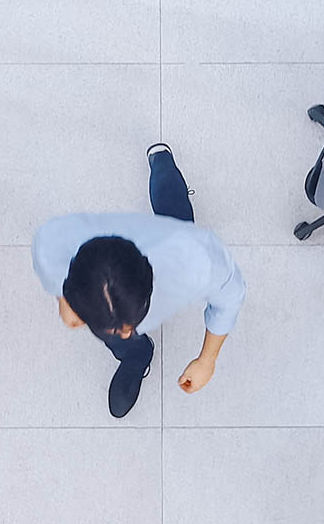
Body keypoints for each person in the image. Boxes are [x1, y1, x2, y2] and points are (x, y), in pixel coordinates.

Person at [32, 145, 245, 418]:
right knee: (119, 340)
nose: (124, 332)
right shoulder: (51, 245)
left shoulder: (196, 260)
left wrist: (207, 360)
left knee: (177, 216)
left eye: (129, 324)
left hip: (175, 239)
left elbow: (229, 298)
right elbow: (58, 280)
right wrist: (66, 300)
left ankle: (161, 163)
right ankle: (136, 358)